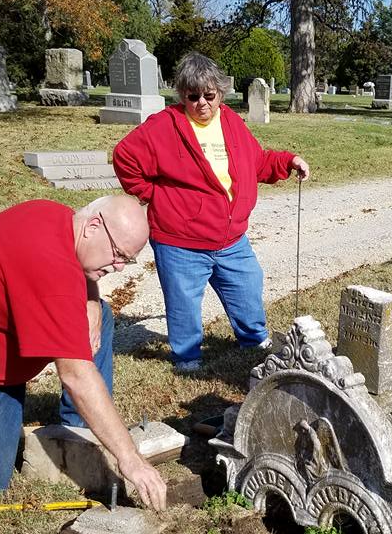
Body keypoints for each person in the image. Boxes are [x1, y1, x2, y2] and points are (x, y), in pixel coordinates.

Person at [0, 195, 167, 510]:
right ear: (94, 225)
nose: (118, 267)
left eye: (127, 260)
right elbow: (75, 375)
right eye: (117, 255)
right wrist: (129, 458)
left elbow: (75, 272)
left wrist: (91, 298)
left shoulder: (59, 218)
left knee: (101, 313)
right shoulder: (48, 268)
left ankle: (79, 429)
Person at [113, 52, 310, 372]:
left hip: (232, 237)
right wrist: (157, 197)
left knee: (247, 284)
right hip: (180, 241)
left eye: (209, 95)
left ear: (220, 92)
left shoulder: (230, 121)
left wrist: (288, 161)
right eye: (192, 97)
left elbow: (257, 161)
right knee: (183, 303)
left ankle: (253, 338)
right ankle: (187, 356)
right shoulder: (162, 126)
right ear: (181, 95)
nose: (202, 103)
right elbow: (125, 158)